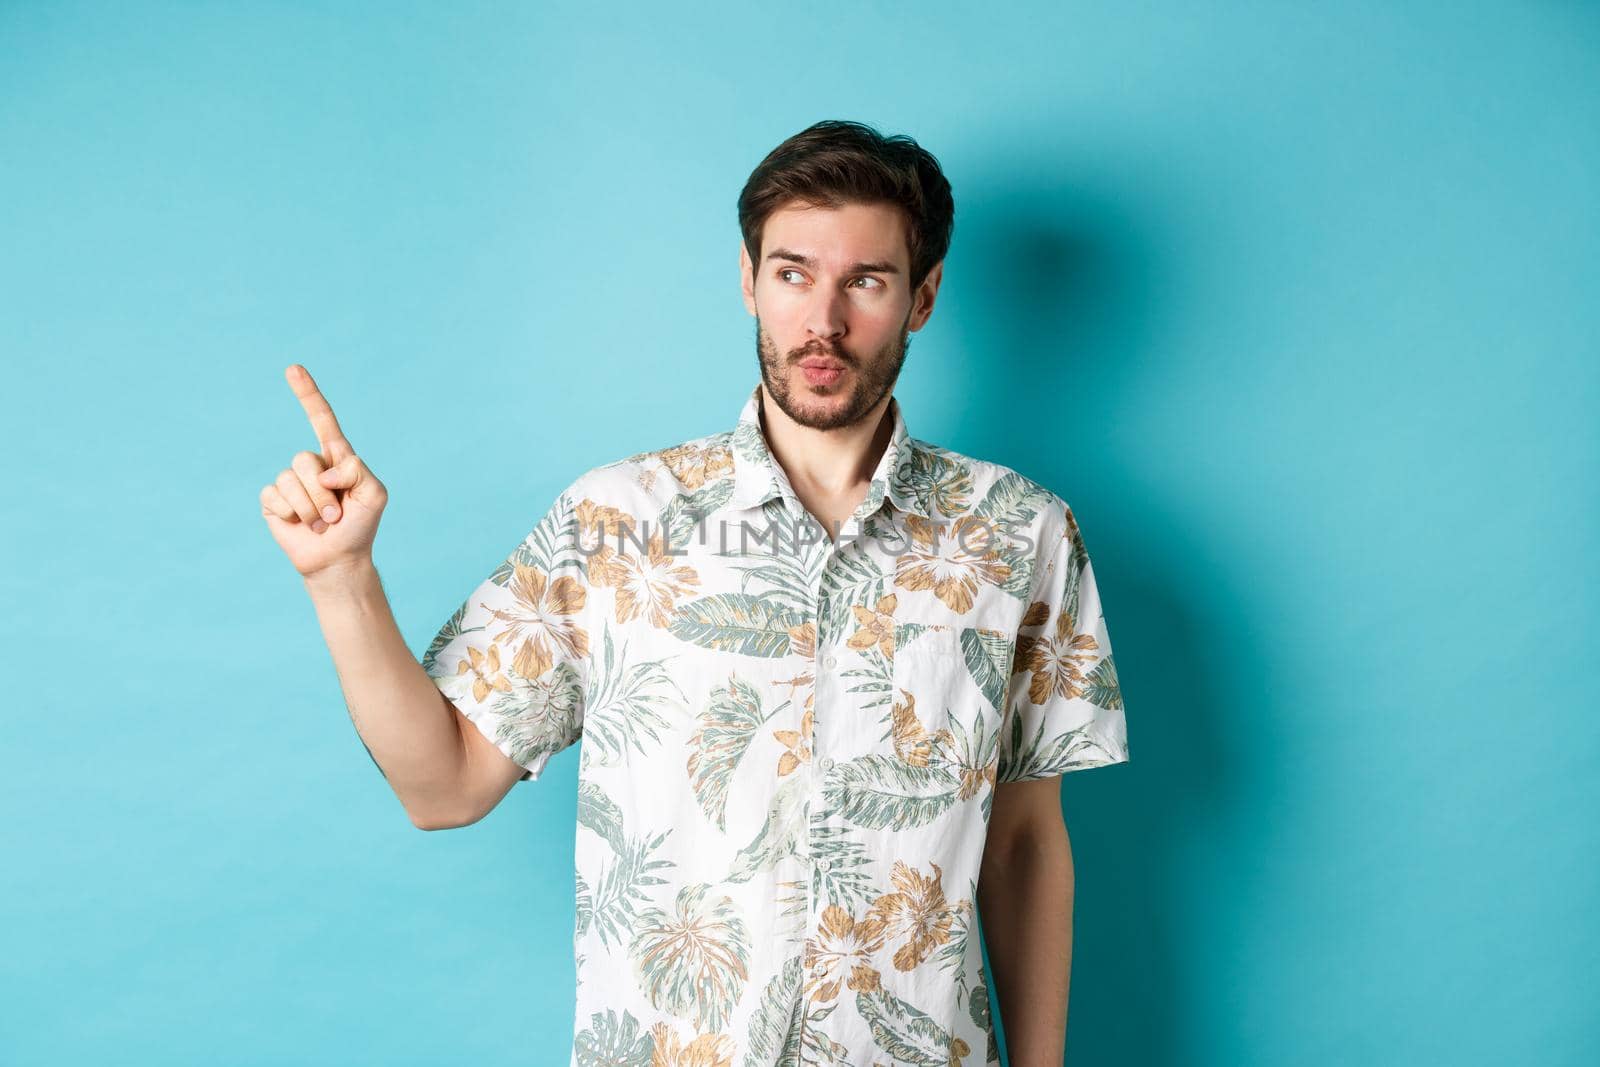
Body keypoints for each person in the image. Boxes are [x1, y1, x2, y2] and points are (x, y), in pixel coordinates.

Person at [260, 119, 1130, 1067]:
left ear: (921, 297)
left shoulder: (1021, 532)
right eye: (793, 274)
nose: (822, 322)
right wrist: (343, 580)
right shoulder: (618, 519)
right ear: (749, 280)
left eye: (866, 282)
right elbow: (443, 786)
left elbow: (1021, 844)